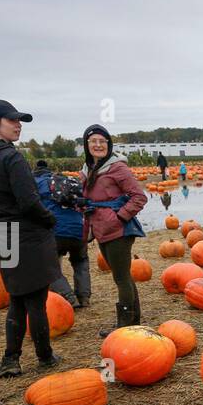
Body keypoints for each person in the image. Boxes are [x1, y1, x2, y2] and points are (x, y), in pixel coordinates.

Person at [0, 99, 61, 377]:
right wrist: (49, 220)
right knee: (36, 300)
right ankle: (44, 356)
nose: (18, 125)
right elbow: (29, 201)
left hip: (2, 233)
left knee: (17, 298)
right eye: (12, 120)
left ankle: (11, 359)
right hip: (28, 234)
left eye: (19, 121)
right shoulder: (11, 157)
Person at [80, 124, 147, 336]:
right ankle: (132, 321)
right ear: (87, 145)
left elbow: (139, 197)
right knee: (123, 275)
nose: (98, 145)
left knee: (121, 277)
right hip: (100, 228)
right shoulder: (88, 168)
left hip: (118, 230)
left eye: (102, 141)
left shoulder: (117, 168)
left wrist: (120, 217)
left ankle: (125, 326)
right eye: (93, 141)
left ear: (108, 144)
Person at [32, 159, 90, 309]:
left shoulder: (34, 183)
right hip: (79, 228)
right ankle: (84, 297)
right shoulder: (61, 180)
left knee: (49, 266)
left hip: (55, 230)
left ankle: (68, 297)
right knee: (81, 262)